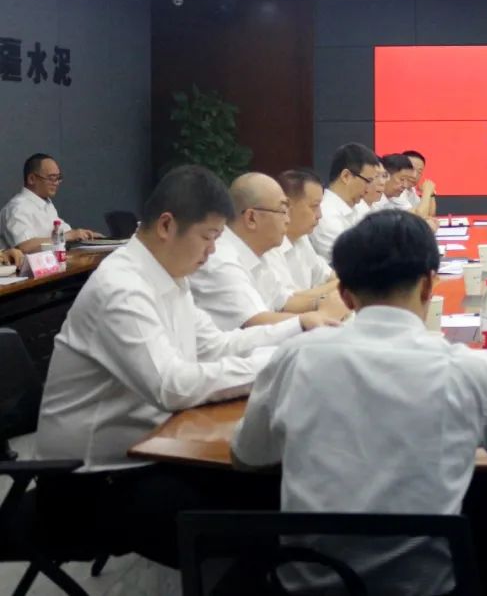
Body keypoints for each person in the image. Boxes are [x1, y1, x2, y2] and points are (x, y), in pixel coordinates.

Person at [232, 210, 487, 594]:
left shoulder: (297, 357)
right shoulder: (470, 371)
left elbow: (246, 457)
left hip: (303, 590)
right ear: (428, 285)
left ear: (345, 295)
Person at [34, 166, 324, 566]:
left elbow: (215, 345)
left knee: (271, 492)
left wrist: (297, 328)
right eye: (208, 237)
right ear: (167, 226)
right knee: (246, 527)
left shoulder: (170, 276)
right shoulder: (121, 287)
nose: (212, 251)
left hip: (149, 451)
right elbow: (171, 386)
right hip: (89, 483)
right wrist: (276, 363)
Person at [189, 173, 346, 330]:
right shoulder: (221, 260)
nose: (288, 220)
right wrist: (321, 315)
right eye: (282, 211)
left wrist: (323, 302)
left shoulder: (260, 252)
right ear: (251, 218)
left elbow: (283, 302)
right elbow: (256, 322)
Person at [0, 153, 100, 252]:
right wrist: (66, 236)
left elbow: (67, 232)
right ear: (31, 179)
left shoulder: (46, 203)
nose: (56, 183)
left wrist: (87, 235)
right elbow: (24, 246)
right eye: (52, 178)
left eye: (58, 178)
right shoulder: (17, 208)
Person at [265, 168, 337, 294]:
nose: (319, 215)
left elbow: (327, 276)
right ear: (286, 206)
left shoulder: (302, 238)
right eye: (314, 206)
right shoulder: (268, 247)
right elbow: (289, 301)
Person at [309, 143, 382, 259]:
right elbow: (354, 260)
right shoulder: (326, 215)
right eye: (368, 181)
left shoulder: (359, 206)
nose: (369, 189)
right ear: (346, 176)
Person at [402, 149, 437, 217]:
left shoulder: (411, 189)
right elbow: (420, 216)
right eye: (411, 169)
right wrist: (427, 191)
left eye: (419, 172)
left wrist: (431, 194)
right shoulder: (396, 191)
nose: (415, 176)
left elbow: (430, 215)